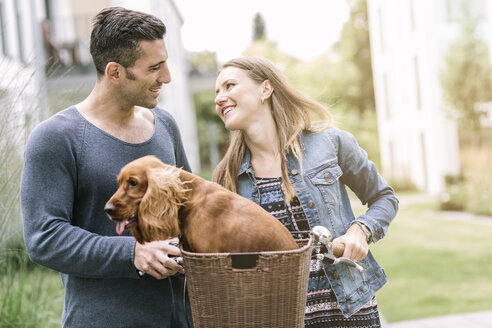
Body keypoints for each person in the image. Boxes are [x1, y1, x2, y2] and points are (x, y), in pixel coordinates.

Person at [21, 7, 193, 328]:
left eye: (165, 63)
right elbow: (44, 237)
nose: (166, 77)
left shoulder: (165, 125)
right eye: (155, 68)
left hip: (181, 318)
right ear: (115, 72)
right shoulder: (56, 138)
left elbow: (190, 208)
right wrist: (133, 253)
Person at [213, 56, 398, 327]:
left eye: (229, 85)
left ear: (266, 89)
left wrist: (361, 230)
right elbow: (231, 259)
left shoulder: (330, 143)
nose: (219, 98)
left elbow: (384, 197)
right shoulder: (227, 176)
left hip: (349, 310)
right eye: (217, 92)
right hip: (278, 316)